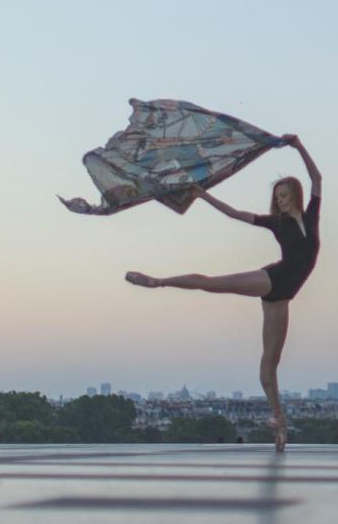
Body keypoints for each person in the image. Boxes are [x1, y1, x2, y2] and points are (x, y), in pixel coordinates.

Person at [124, 133, 322, 452]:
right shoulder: (276, 223)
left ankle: (279, 422)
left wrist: (300, 146)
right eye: (278, 196)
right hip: (273, 279)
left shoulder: (312, 216)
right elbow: (234, 214)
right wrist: (202, 195)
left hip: (284, 296)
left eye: (285, 195)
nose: (282, 200)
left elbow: (317, 176)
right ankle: (158, 281)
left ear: (295, 195)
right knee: (212, 283)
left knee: (270, 361)